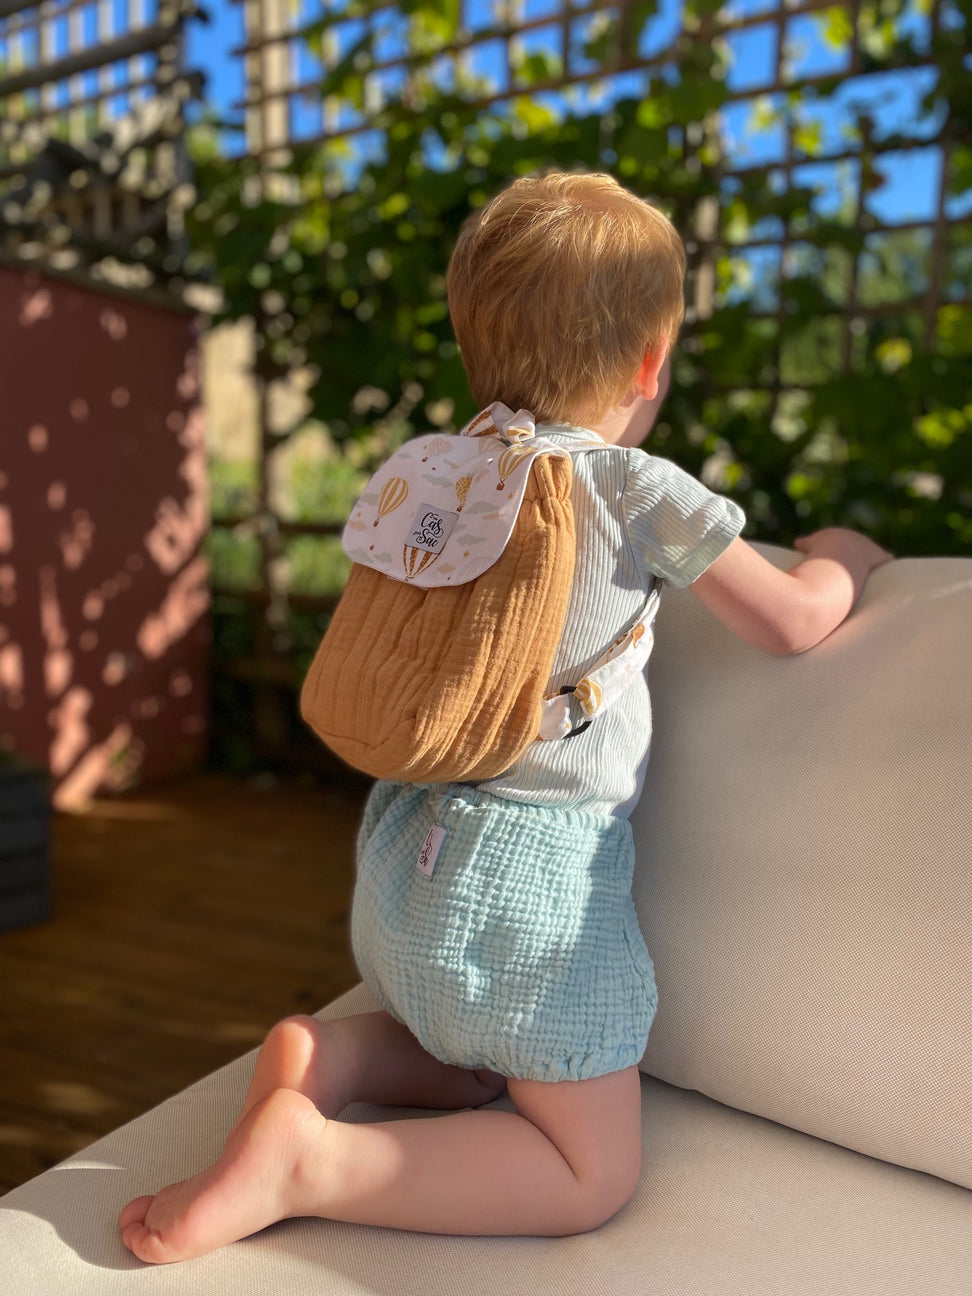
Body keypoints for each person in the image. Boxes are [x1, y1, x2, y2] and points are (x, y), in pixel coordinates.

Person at [119, 171, 892, 1264]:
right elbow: (795, 621)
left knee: (480, 1065)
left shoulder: (445, 474)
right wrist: (844, 557)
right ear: (650, 361)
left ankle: (333, 1058)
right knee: (587, 1172)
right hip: (530, 900)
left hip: (401, 866)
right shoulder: (632, 488)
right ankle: (314, 1164)